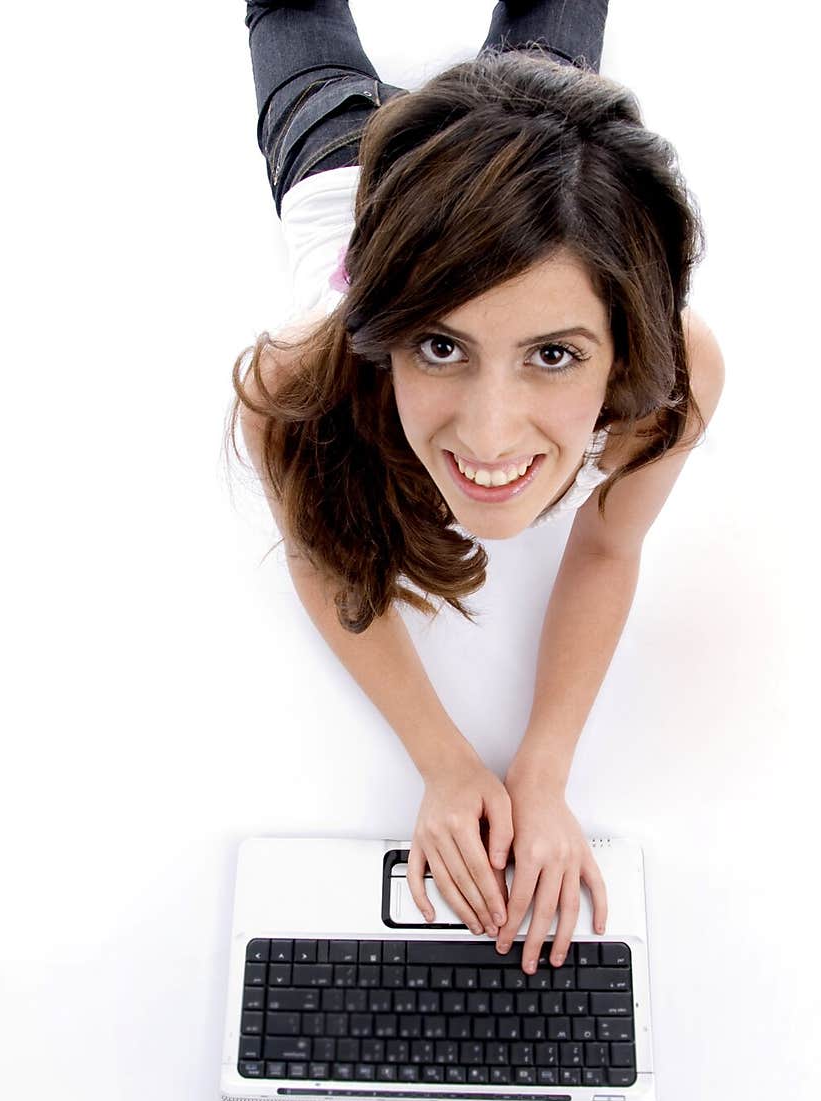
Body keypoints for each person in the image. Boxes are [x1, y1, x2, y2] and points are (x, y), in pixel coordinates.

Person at [229, 1, 725, 976]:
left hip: (509, 150)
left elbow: (608, 544)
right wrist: (443, 762)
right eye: (440, 344)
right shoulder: (299, 387)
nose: (490, 435)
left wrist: (541, 770)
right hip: (341, 168)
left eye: (552, 353)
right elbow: (324, 564)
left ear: (623, 348)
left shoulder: (674, 376)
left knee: (545, 93)